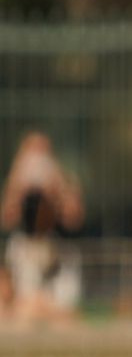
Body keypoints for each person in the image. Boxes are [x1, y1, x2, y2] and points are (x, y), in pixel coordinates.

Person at [0, 131, 85, 324]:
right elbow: (7, 218)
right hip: (28, 251)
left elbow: (74, 218)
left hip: (56, 251)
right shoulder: (17, 184)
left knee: (59, 311)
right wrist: (18, 183)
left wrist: (56, 188)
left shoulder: (62, 180)